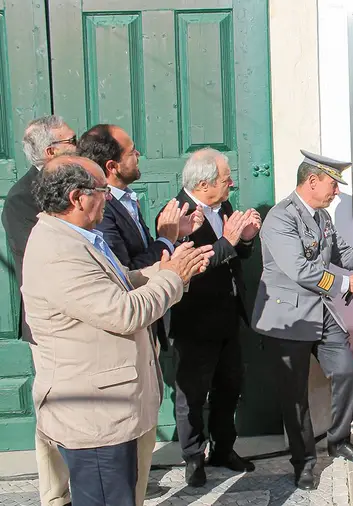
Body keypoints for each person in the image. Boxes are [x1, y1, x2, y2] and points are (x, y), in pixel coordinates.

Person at [22, 155, 211, 506]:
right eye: (101, 190)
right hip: (95, 417)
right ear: (77, 198)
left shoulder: (78, 235)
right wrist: (173, 277)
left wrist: (164, 269)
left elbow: (122, 282)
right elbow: (124, 312)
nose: (108, 197)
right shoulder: (59, 252)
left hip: (116, 408)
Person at [251, 150, 353, 490]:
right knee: (294, 395)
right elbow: (298, 269)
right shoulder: (281, 218)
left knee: (346, 371)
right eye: (332, 184)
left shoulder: (322, 217)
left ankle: (338, 441)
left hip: (319, 313)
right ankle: (304, 462)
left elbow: (339, 252)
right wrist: (344, 283)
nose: (336, 191)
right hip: (286, 316)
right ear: (312, 181)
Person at [164, 148, 261, 487]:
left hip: (228, 318)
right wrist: (229, 240)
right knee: (192, 393)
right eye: (225, 179)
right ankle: (193, 457)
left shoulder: (224, 207)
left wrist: (245, 241)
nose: (232, 183)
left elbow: (232, 253)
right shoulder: (177, 215)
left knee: (229, 387)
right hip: (194, 321)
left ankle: (223, 448)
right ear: (203, 184)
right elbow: (192, 269)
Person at [1, 116, 76, 506]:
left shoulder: (85, 182)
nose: (79, 144)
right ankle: (54, 494)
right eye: (72, 139)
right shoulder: (21, 199)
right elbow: (40, 261)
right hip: (51, 323)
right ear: (51, 151)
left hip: (91, 313)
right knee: (54, 407)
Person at [78, 124, 203, 269]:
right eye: (131, 152)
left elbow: (145, 251)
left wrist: (175, 234)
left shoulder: (127, 198)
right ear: (112, 167)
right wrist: (166, 239)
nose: (138, 154)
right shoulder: (102, 208)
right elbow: (125, 271)